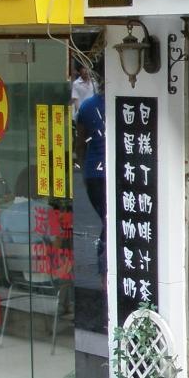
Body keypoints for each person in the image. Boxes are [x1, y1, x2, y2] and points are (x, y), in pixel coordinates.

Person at [76, 87, 107, 267]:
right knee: (111, 221)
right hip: (112, 173)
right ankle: (104, 265)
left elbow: (80, 144)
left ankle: (104, 264)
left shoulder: (87, 106)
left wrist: (84, 171)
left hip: (94, 174)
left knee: (106, 219)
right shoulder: (117, 101)